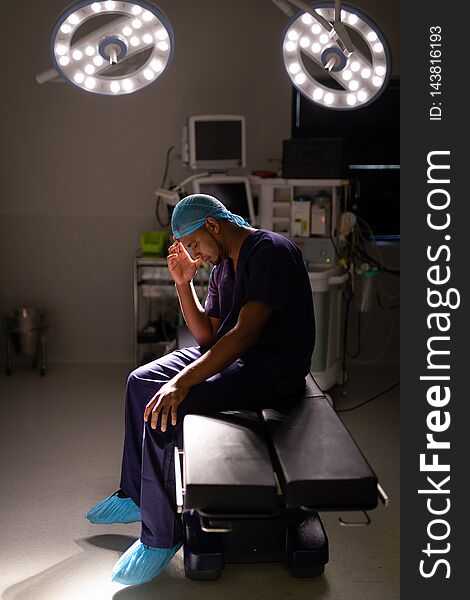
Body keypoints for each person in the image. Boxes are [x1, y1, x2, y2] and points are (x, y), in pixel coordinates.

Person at [85, 194, 315, 585]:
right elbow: (209, 335)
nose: (195, 254)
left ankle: (161, 536)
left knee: (169, 403)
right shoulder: (224, 265)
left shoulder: (270, 251)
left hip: (271, 368)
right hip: (234, 357)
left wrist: (181, 381)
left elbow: (243, 335)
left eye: (193, 244)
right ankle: (136, 495)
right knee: (140, 382)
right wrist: (182, 284)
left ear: (213, 225)